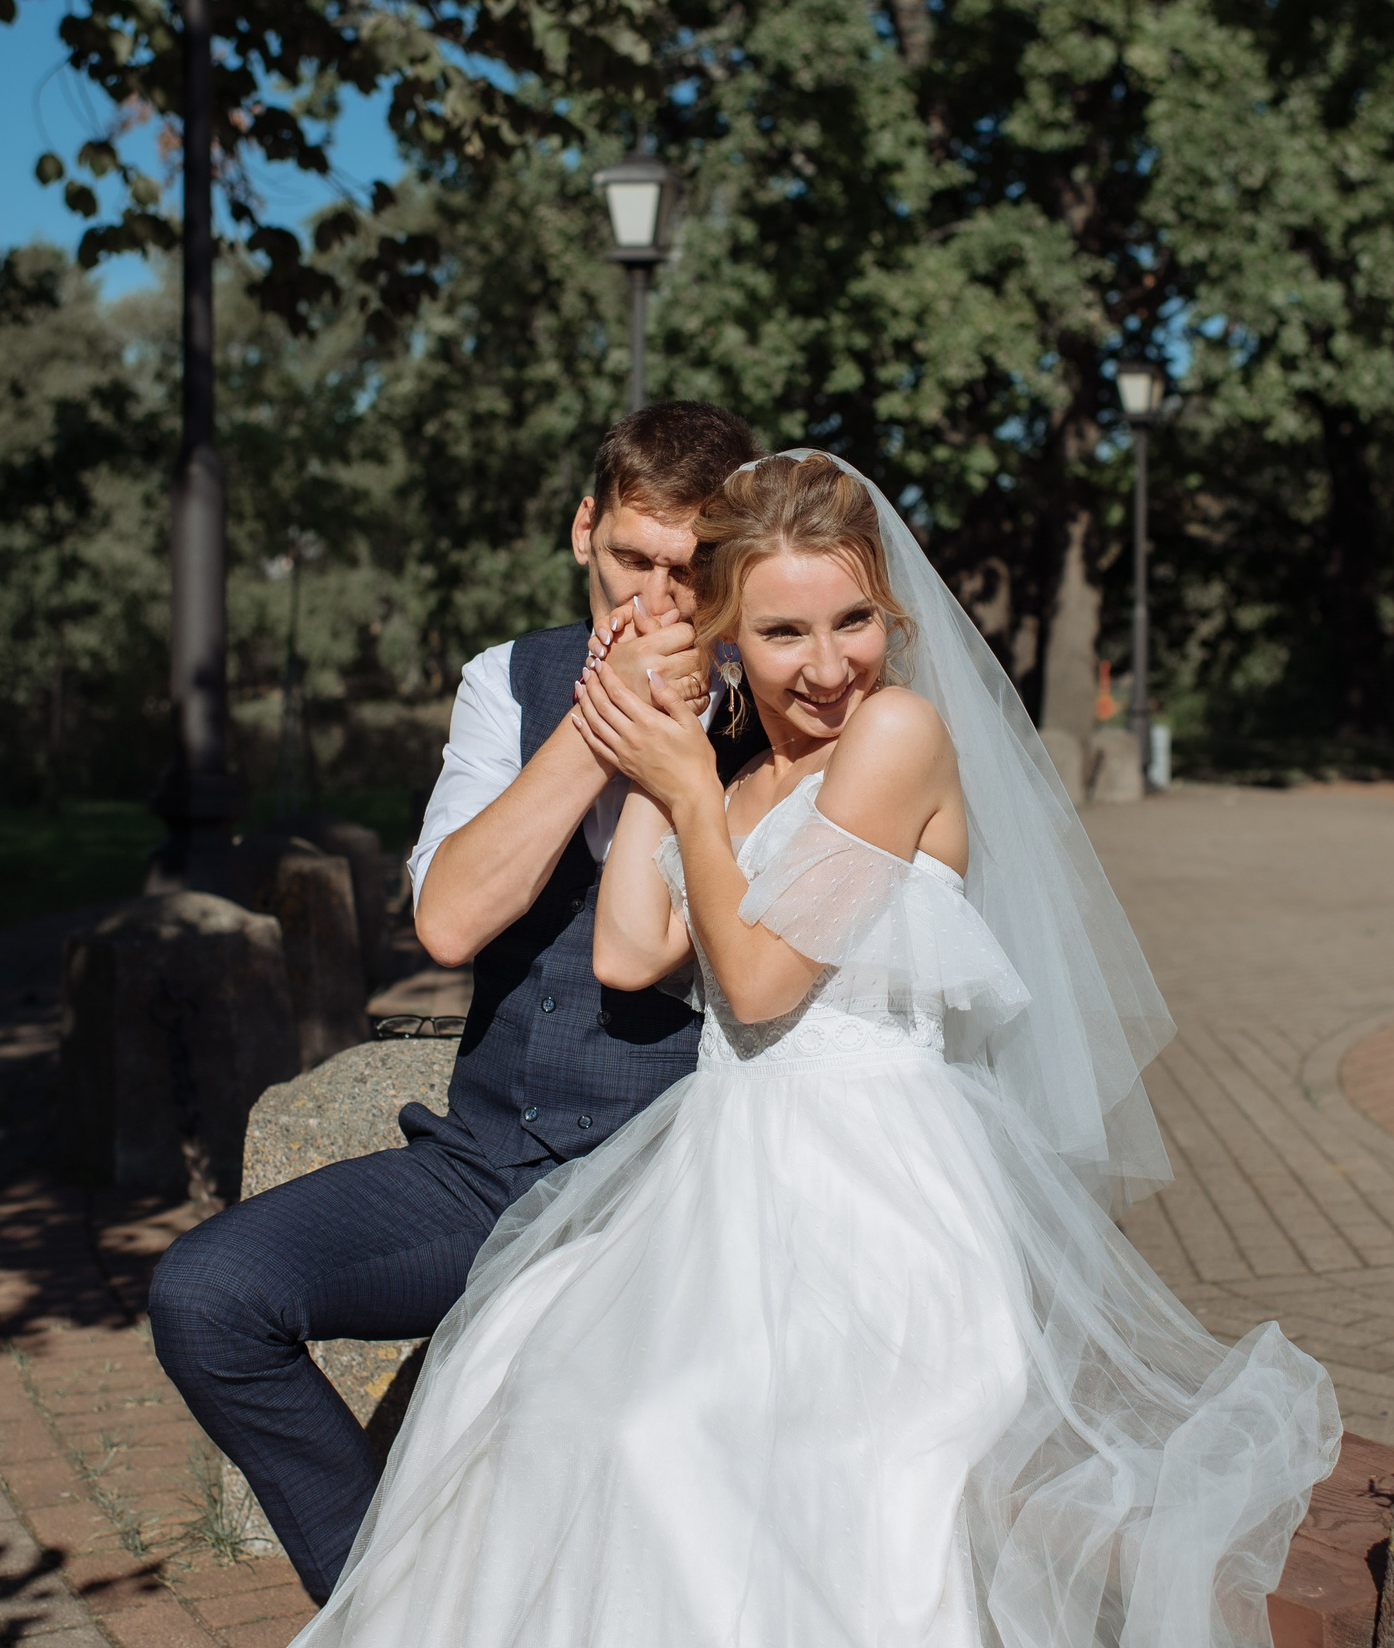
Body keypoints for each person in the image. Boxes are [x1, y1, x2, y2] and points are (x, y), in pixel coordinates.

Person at [290, 452, 1339, 1648]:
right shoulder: (745, 771)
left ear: (890, 613)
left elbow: (757, 978)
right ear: (727, 633)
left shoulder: (894, 736)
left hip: (870, 1193)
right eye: (783, 632)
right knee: (532, 1380)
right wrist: (666, 753)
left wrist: (684, 788)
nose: (830, 664)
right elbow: (633, 953)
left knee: (670, 1445)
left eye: (854, 621)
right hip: (721, 1174)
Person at [146, 402, 769, 1599]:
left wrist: (687, 740)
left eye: (691, 576)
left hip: (681, 1176)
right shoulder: (508, 680)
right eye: (631, 559)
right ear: (584, 529)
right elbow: (448, 921)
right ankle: (393, 1598)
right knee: (207, 1295)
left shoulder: (778, 708)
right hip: (487, 1166)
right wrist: (599, 732)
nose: (652, 604)